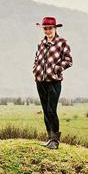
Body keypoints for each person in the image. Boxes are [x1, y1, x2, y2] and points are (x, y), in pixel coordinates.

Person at [33, 17, 73, 149]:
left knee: (51, 110)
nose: (47, 30)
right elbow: (37, 58)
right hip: (40, 80)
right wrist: (35, 69)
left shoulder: (62, 43)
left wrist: (57, 68)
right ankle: (49, 138)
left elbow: (68, 60)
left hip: (54, 81)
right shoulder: (41, 43)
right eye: (45, 28)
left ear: (55, 28)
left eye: (50, 28)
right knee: (45, 110)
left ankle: (55, 141)